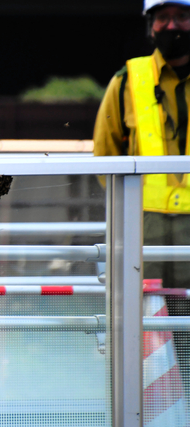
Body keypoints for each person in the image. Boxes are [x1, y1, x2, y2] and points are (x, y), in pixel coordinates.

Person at [93, 0, 190, 399]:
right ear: (150, 26)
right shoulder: (126, 81)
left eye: (181, 16)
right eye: (163, 18)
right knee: (141, 325)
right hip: (144, 226)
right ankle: (143, 412)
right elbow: (104, 155)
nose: (172, 26)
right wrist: (127, 209)